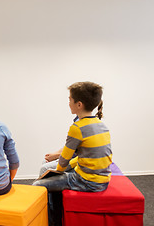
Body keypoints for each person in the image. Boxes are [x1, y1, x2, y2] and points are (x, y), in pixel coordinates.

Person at [33, 82, 112, 226]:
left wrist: (56, 172)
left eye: (70, 99)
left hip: (87, 182)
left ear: (79, 104)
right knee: (53, 180)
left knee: (37, 185)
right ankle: (58, 218)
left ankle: (52, 222)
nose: (68, 103)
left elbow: (63, 161)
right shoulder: (102, 125)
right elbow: (88, 157)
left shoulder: (77, 127)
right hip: (103, 180)